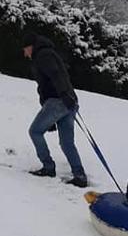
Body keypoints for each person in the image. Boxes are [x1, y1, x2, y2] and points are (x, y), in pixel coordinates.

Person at [21, 31, 88, 188]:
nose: (25, 54)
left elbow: (56, 75)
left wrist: (64, 95)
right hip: (67, 101)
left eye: (25, 49)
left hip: (59, 100)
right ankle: (79, 175)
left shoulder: (43, 55)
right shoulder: (48, 53)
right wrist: (67, 98)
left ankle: (48, 167)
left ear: (30, 47)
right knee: (66, 143)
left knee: (35, 131)